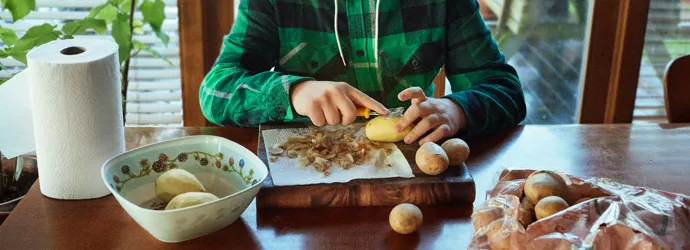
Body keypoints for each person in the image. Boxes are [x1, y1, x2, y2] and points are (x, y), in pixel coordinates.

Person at [199, 0, 526, 145]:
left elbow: (504, 89)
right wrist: (295, 92)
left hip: (414, 172)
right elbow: (217, 90)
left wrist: (456, 109)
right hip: (304, 171)